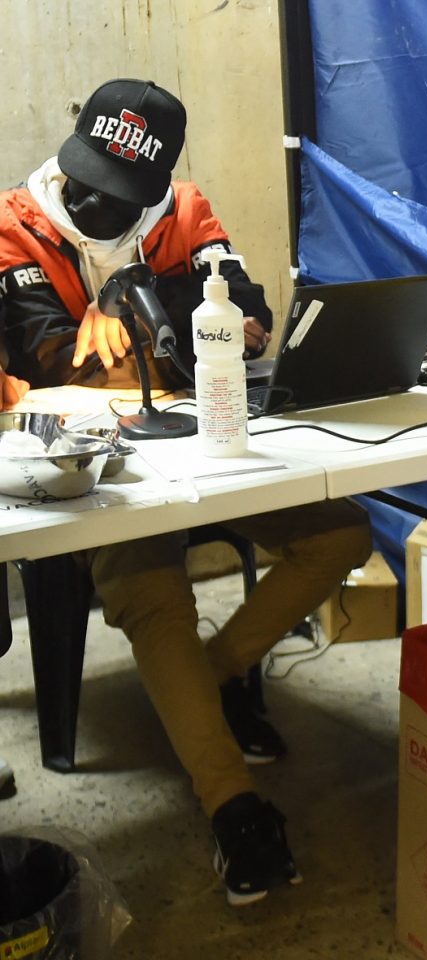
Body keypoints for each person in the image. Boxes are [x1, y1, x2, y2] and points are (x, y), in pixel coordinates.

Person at [0, 79, 373, 905]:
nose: (97, 203)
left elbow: (250, 314)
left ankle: (216, 672)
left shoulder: (183, 209)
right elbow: (51, 363)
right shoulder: (12, 225)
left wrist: (132, 307)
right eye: (86, 181)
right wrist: (175, 332)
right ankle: (233, 806)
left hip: (211, 440)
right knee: (148, 582)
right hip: (98, 474)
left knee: (342, 534)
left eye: (123, 193)